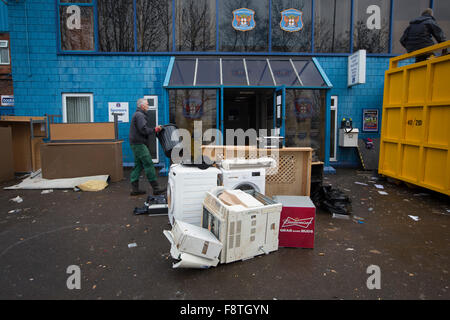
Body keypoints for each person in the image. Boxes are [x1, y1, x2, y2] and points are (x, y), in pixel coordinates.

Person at [129, 98, 165, 196]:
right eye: (147, 104)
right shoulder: (140, 115)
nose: (148, 106)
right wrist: (155, 129)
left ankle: (135, 189)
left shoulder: (137, 114)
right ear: (142, 106)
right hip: (139, 144)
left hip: (136, 143)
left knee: (138, 165)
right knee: (149, 163)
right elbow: (143, 130)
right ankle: (156, 188)